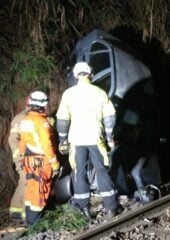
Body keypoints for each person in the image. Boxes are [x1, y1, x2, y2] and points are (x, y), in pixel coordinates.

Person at [56, 61, 119, 220]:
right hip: (95, 138)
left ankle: (84, 208)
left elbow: (62, 120)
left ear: (76, 75)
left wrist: (63, 140)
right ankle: (111, 208)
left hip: (76, 140)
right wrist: (110, 137)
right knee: (102, 171)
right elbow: (110, 117)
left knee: (79, 172)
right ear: (90, 74)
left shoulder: (69, 94)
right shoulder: (99, 92)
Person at [18, 91, 60, 225]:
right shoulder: (42, 123)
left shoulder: (25, 120)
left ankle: (30, 219)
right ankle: (36, 222)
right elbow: (47, 145)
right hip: (42, 161)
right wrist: (55, 164)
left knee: (31, 189)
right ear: (44, 105)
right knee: (40, 190)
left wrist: (21, 157)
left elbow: (22, 142)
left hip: (28, 161)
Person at [8, 107, 27, 222]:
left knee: (23, 182)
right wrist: (19, 158)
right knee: (27, 182)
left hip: (28, 157)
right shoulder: (20, 118)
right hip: (22, 158)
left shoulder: (32, 116)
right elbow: (13, 140)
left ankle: (16, 211)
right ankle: (27, 216)